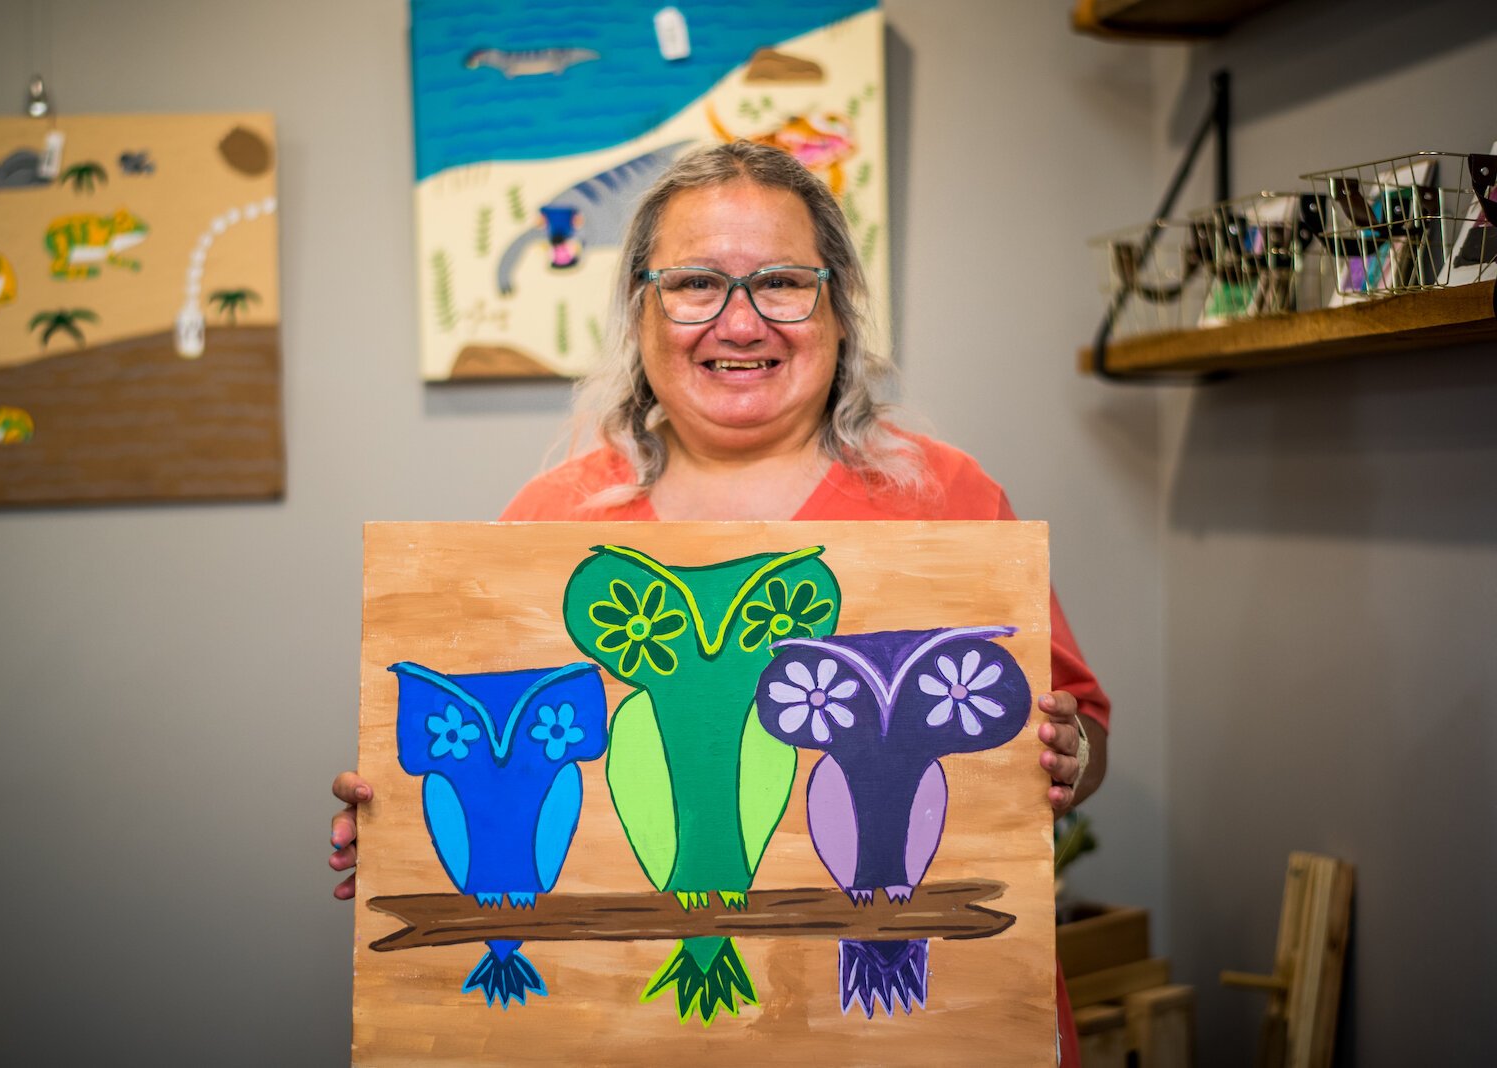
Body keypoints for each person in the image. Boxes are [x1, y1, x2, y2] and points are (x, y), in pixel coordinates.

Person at [329, 140, 1109, 1061]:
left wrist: (1067, 752)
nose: (740, 324)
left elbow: (1079, 733)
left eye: (781, 282)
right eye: (697, 283)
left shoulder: (949, 500)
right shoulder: (550, 525)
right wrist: (389, 817)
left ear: (838, 306)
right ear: (641, 310)